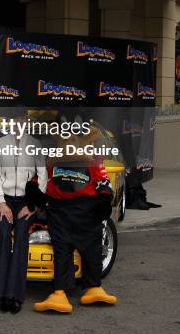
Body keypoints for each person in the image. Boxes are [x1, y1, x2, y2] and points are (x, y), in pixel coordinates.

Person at [26, 122, 117, 314]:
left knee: (92, 250)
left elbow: (103, 183)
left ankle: (93, 287)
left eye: (74, 141)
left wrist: (103, 201)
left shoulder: (93, 163)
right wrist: (36, 195)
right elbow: (38, 182)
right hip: (59, 213)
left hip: (87, 212)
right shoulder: (51, 164)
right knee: (62, 253)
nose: (70, 146)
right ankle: (60, 293)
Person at [0, 109, 48, 314]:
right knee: (4, 235)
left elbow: (42, 176)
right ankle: (2, 294)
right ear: (9, 122)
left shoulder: (35, 144)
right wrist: (1, 203)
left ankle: (15, 295)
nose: (18, 123)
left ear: (26, 122)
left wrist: (31, 205)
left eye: (21, 120)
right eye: (14, 120)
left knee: (22, 236)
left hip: (25, 201)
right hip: (4, 201)